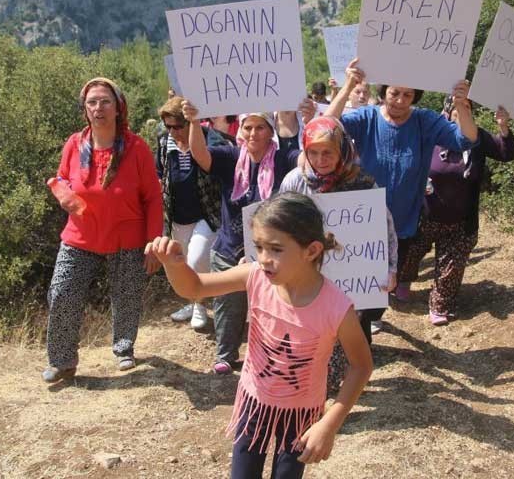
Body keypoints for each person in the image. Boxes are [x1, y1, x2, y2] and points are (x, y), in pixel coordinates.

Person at [145, 193, 373, 479]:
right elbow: (195, 288)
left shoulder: (337, 307)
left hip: (300, 415)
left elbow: (361, 365)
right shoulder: (254, 276)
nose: (264, 259)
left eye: (276, 249)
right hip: (253, 404)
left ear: (312, 250)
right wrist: (174, 264)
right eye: (260, 247)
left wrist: (329, 423)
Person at [320, 58, 479, 333]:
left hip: (403, 220)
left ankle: (370, 317)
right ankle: (350, 327)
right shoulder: (367, 118)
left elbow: (467, 139)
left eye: (408, 95)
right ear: (384, 92)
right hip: (360, 216)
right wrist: (347, 87)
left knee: (385, 277)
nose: (400, 101)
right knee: (355, 274)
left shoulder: (424, 121)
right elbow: (327, 127)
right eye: (395, 93)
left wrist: (462, 106)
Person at [42, 78, 163, 383]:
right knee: (62, 291)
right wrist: (63, 192)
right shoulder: (74, 144)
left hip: (128, 236)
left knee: (127, 294)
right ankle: (62, 361)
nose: (99, 108)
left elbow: (152, 197)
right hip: (80, 235)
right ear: (85, 109)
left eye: (105, 101)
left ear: (118, 107)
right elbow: (61, 178)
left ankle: (124, 347)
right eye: (92, 102)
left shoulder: (136, 148)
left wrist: (153, 242)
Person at [182, 101, 304, 374]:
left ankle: (272, 358)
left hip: (272, 254)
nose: (253, 133)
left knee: (275, 308)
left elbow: (307, 162)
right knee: (227, 305)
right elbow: (200, 155)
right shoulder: (230, 157)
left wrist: (302, 121)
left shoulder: (284, 158)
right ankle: (225, 355)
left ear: (270, 130)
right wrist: (193, 122)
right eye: (248, 127)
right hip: (228, 247)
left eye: (260, 127)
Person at [278, 116, 397, 389]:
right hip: (308, 273)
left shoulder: (363, 182)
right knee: (312, 331)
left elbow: (384, 225)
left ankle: (337, 386)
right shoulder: (295, 182)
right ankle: (315, 388)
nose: (321, 160)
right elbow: (277, 222)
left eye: (328, 152)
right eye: (314, 152)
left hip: (351, 278)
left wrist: (390, 267)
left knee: (345, 331)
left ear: (342, 149)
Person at [405, 100, 514, 326]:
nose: (463, 113)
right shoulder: (431, 135)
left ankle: (440, 306)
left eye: (468, 109)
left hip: (461, 218)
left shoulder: (478, 138)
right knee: (409, 254)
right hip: (425, 214)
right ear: (447, 113)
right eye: (458, 108)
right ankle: (403, 280)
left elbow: (506, 153)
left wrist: (504, 127)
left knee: (451, 266)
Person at [156, 97, 231, 330]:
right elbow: (161, 173)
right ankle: (193, 300)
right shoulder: (163, 144)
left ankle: (199, 305)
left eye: (178, 126)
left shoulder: (211, 140)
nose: (173, 132)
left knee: (197, 259)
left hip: (206, 213)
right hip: (178, 215)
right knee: (183, 263)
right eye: (169, 127)